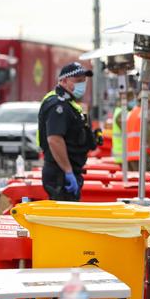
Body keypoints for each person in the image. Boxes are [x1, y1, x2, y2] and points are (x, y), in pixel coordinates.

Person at [37, 62, 98, 201]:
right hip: (60, 173)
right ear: (63, 81)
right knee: (63, 218)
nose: (82, 84)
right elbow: (54, 139)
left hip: (66, 170)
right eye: (78, 81)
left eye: (84, 81)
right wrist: (68, 171)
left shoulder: (70, 104)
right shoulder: (58, 105)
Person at [127, 92, 150, 172]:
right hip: (143, 157)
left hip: (130, 157)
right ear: (147, 102)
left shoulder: (130, 114)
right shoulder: (145, 114)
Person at [112, 89, 135, 165]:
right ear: (127, 99)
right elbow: (129, 130)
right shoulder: (122, 113)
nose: (134, 101)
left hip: (124, 155)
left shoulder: (121, 111)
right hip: (123, 155)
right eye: (132, 99)